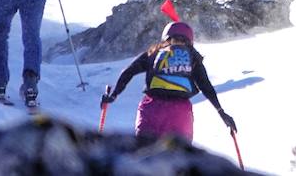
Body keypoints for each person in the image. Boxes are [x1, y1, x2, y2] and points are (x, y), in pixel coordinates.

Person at [101, 20, 236, 143]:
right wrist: (221, 112)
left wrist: (114, 94)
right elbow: (206, 86)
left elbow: (128, 71)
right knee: (178, 155)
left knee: (144, 152)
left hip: (151, 108)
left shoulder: (154, 52)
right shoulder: (193, 57)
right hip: (180, 112)